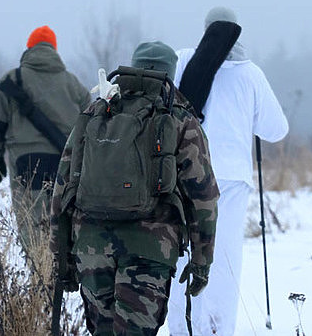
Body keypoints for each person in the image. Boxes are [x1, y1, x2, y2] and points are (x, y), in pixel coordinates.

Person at [50, 41, 219, 335]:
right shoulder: (179, 117)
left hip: (91, 246)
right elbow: (203, 197)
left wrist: (61, 257)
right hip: (151, 249)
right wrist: (202, 262)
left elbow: (63, 187)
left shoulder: (97, 112)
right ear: (171, 72)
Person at [167, 7, 289, 335]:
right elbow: (276, 129)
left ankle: (182, 328)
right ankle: (219, 330)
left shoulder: (183, 60)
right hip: (232, 181)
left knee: (182, 255)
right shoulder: (251, 74)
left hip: (184, 175)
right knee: (223, 261)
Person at [0, 25, 91, 257]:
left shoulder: (12, 80)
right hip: (66, 166)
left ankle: (40, 280)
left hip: (27, 165)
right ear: (54, 50)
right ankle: (59, 278)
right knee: (62, 226)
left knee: (32, 229)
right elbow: (90, 126)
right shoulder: (73, 84)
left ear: (29, 49)